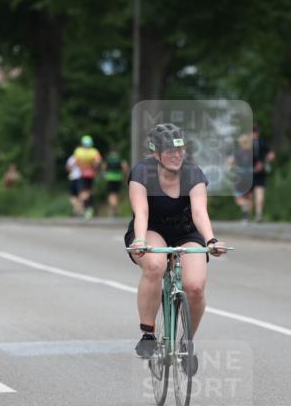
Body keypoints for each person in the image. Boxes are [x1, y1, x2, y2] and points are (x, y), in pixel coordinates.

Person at [124, 123, 229, 368]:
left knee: (194, 286)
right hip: (151, 229)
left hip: (186, 231)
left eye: (180, 149)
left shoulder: (193, 174)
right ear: (155, 153)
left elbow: (199, 212)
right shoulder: (141, 173)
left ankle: (186, 342)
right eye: (170, 150)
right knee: (154, 265)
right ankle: (148, 334)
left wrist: (211, 240)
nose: (176, 155)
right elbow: (141, 210)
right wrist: (140, 240)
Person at [250, 125, 275, 223]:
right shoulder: (263, 141)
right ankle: (258, 214)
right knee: (259, 192)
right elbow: (271, 155)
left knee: (249, 195)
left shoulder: (246, 142)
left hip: (248, 171)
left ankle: (247, 215)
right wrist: (265, 161)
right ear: (258, 132)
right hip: (261, 169)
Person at [73, 135, 102, 218]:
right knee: (88, 191)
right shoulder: (94, 151)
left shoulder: (78, 151)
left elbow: (75, 162)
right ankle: (86, 208)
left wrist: (81, 167)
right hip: (91, 174)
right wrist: (94, 168)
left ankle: (81, 208)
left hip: (81, 174)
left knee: (83, 191)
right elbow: (97, 162)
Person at [231, 133, 256, 223]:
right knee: (249, 197)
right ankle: (247, 216)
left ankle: (245, 215)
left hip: (240, 176)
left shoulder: (237, 152)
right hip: (250, 176)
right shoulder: (252, 152)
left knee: (239, 198)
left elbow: (231, 164)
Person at [103, 149, 128, 218]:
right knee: (116, 194)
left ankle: (113, 207)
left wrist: (105, 174)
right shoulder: (120, 159)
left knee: (111, 193)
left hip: (109, 178)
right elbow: (125, 167)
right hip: (118, 178)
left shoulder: (108, 160)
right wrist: (124, 175)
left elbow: (104, 167)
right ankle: (115, 208)